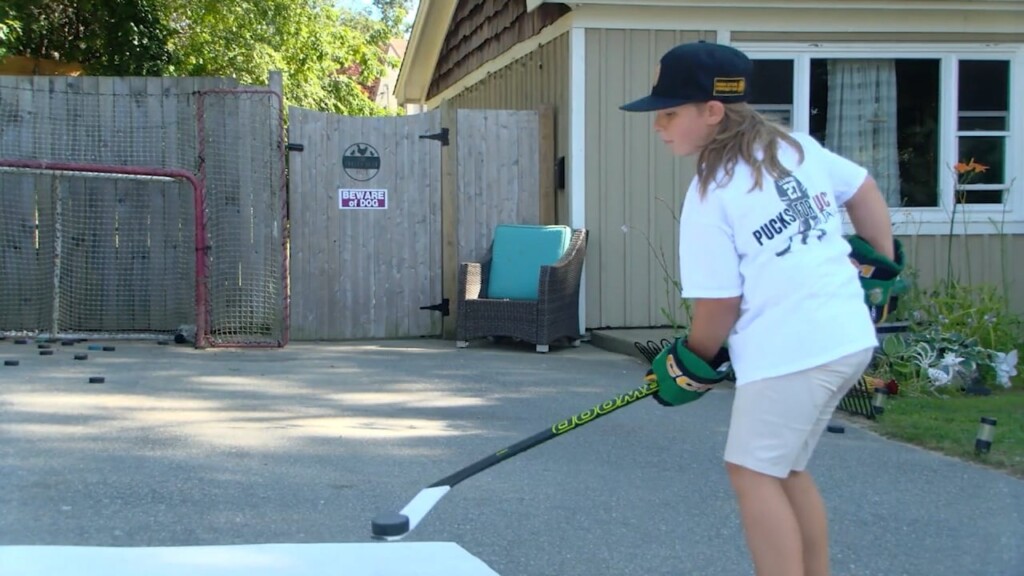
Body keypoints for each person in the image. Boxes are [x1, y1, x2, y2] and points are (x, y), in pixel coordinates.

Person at [621, 41, 904, 576]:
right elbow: (863, 188)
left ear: (712, 111)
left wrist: (689, 364)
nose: (658, 125)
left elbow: (719, 302)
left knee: (751, 472)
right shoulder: (796, 149)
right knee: (783, 470)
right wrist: (883, 269)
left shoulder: (712, 192)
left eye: (669, 113)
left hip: (794, 350)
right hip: (846, 337)